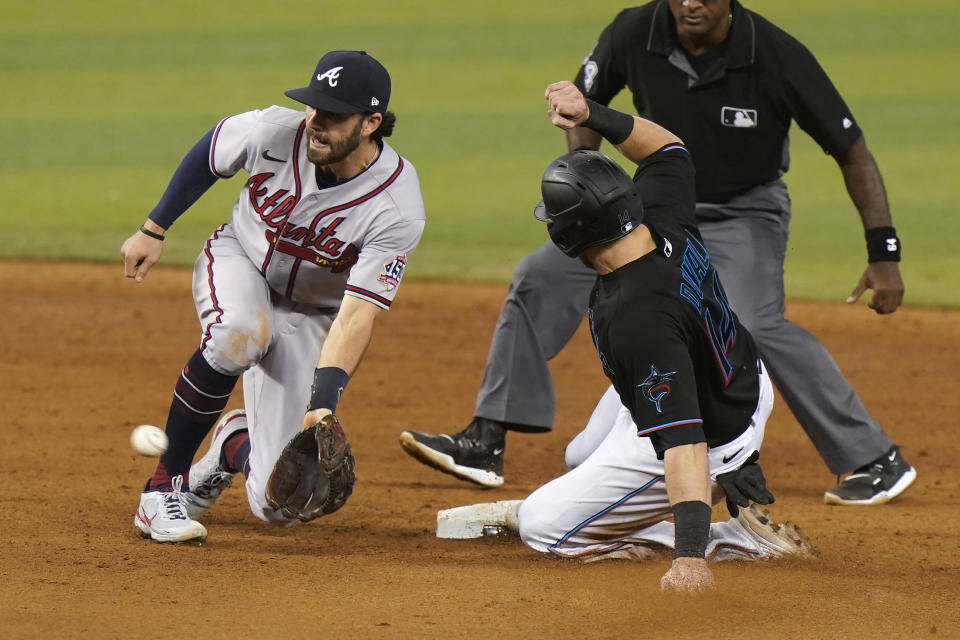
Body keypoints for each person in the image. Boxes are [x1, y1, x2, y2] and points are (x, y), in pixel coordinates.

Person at [400, 0, 915, 506]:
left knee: (753, 322)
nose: (690, 3)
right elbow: (586, 99)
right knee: (540, 275)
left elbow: (851, 148)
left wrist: (883, 250)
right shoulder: (636, 30)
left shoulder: (775, 54)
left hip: (742, 211)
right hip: (649, 204)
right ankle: (486, 438)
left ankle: (873, 457)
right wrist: (587, 173)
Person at [459, 81, 814, 593]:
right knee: (580, 457)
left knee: (542, 526)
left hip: (710, 434)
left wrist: (690, 558)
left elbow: (685, 443)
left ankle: (728, 538)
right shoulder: (659, 212)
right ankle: (705, 480)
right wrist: (592, 113)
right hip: (738, 375)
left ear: (567, 236)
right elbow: (667, 148)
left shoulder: (634, 318)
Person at [122, 50, 426, 543]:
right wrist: (153, 228)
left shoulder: (396, 208)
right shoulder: (273, 131)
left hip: (315, 312)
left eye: (333, 115)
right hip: (241, 259)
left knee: (279, 504)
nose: (315, 123)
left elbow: (356, 316)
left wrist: (323, 404)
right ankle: (162, 490)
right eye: (313, 107)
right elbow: (211, 151)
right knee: (238, 335)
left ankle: (231, 444)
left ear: (371, 122)